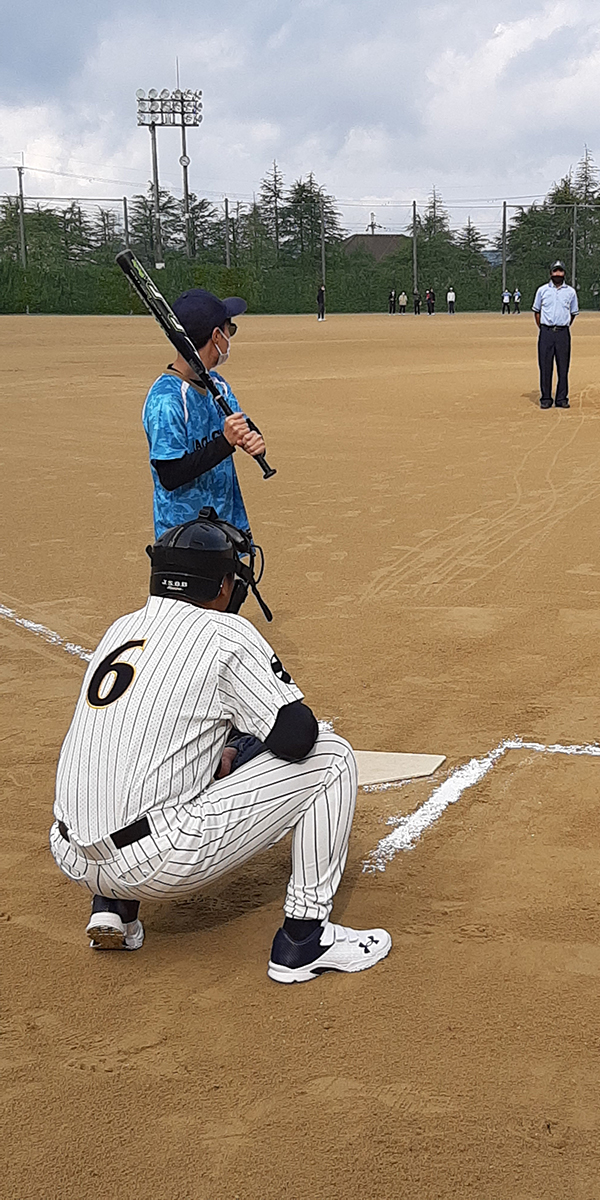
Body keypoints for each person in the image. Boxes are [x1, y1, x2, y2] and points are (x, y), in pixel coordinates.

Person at [49, 509, 391, 985]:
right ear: (224, 585)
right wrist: (242, 745)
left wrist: (223, 749)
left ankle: (114, 909)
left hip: (71, 856)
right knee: (331, 760)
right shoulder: (225, 633)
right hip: (155, 862)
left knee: (145, 755)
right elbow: (297, 737)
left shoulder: (120, 628)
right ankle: (304, 941)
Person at [142, 288, 266, 539]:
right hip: (185, 539)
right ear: (216, 336)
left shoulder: (217, 384)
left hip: (227, 525)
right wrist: (225, 443)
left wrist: (253, 438)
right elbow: (170, 474)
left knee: (236, 579)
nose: (230, 337)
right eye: (229, 329)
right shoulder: (166, 399)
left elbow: (240, 423)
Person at [532, 260, 579, 409]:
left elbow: (573, 313)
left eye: (560, 271)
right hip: (546, 332)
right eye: (555, 271)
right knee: (545, 366)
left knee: (563, 366)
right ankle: (546, 398)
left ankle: (561, 398)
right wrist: (544, 327)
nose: (557, 274)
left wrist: (562, 325)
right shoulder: (542, 290)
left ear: (564, 273)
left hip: (562, 333)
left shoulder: (570, 292)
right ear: (550, 273)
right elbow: (537, 312)